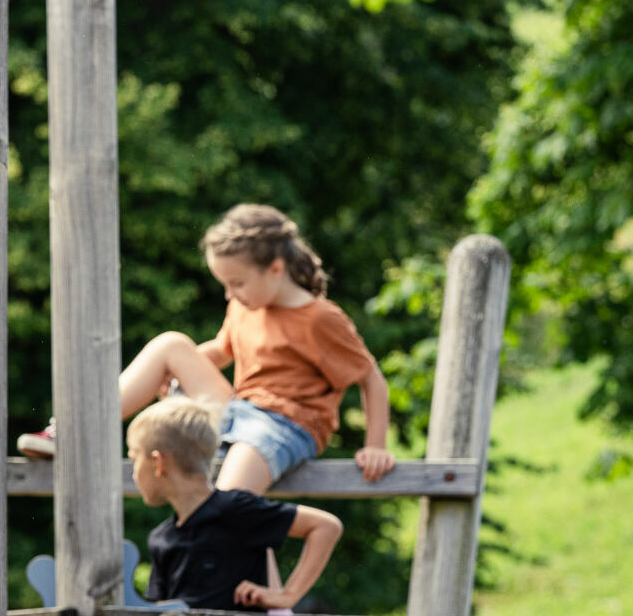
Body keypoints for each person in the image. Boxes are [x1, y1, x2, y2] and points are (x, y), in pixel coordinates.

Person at [21, 203, 395, 495]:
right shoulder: (243, 307)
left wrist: (375, 445)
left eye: (237, 283)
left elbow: (371, 379)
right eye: (225, 285)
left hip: (285, 425)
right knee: (170, 344)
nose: (230, 294)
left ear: (276, 269)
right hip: (238, 411)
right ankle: (72, 431)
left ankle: (263, 592)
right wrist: (170, 376)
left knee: (227, 502)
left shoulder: (319, 319)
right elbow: (220, 350)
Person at [128, 398, 342, 611]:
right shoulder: (161, 539)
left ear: (158, 463)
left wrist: (287, 595)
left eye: (135, 458)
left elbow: (325, 526)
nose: (134, 472)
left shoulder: (235, 509)